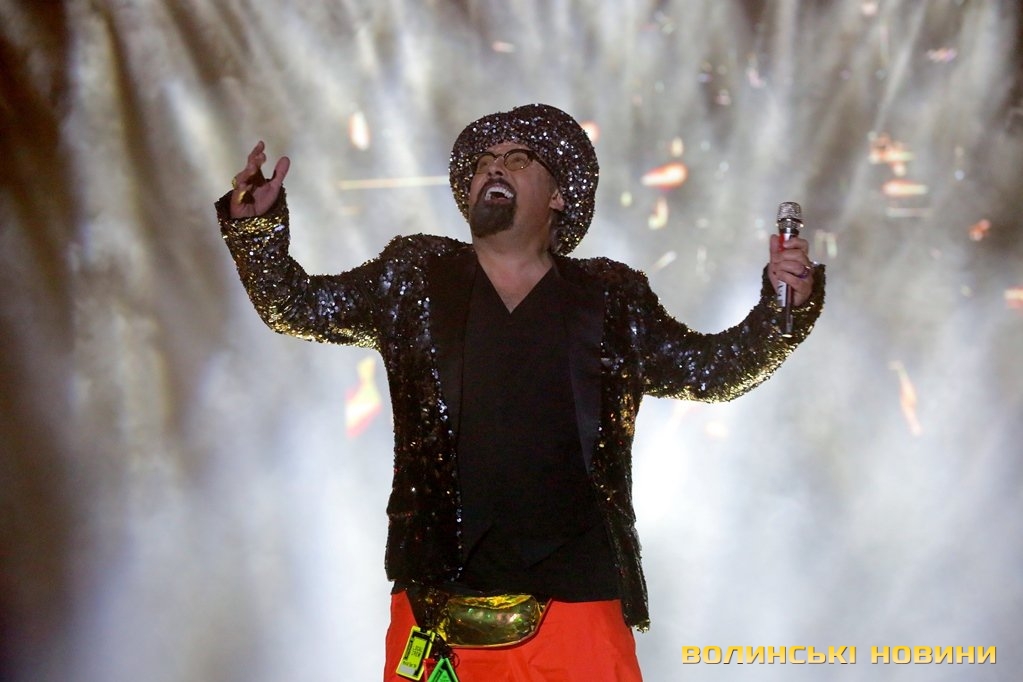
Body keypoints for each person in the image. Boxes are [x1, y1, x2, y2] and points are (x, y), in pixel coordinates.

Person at [216, 103, 824, 682]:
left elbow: (710, 370)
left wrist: (783, 309)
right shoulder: (414, 277)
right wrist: (255, 230)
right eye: (483, 162)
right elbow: (298, 306)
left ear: (559, 195)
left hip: (577, 609)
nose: (493, 168)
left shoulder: (609, 299)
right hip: (436, 613)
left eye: (517, 158)